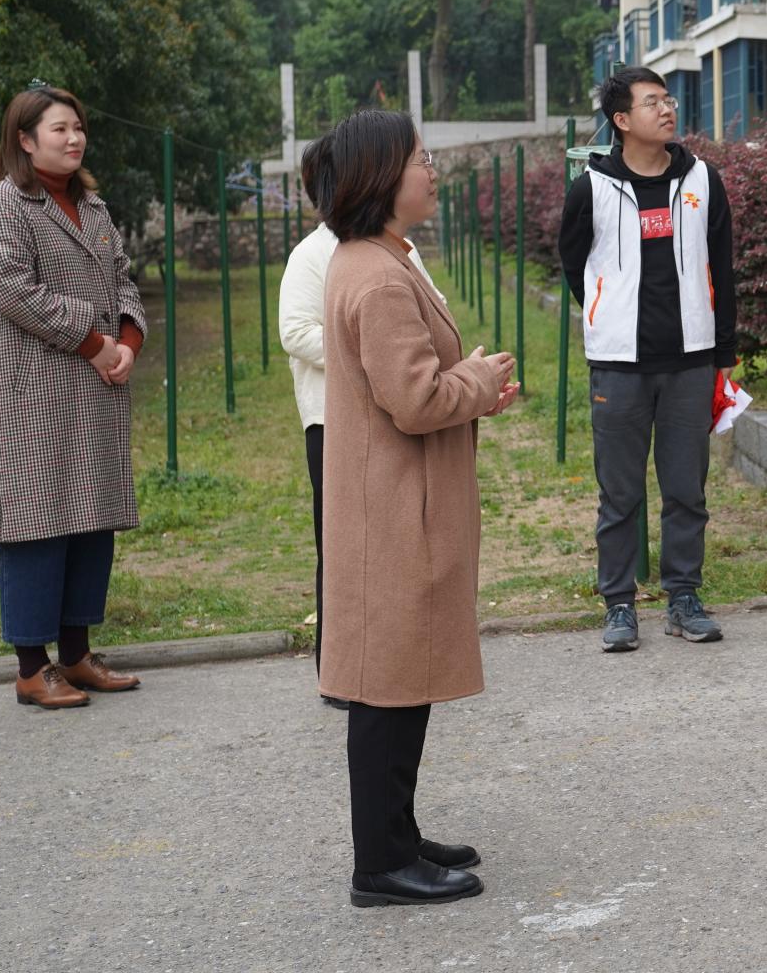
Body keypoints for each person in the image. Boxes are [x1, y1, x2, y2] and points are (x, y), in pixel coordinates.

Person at [314, 109, 517, 907]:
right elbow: (417, 400)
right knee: (385, 685)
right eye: (421, 160)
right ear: (381, 176)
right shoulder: (375, 275)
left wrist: (470, 384)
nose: (433, 172)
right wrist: (477, 381)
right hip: (393, 507)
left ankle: (396, 835)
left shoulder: (377, 258)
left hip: (396, 500)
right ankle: (380, 864)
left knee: (402, 675)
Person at [0, 84, 146, 710]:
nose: (74, 139)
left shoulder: (92, 207)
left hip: (93, 393)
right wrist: (93, 341)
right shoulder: (1, 208)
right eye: (59, 129)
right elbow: (12, 291)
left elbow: (123, 281)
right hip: (31, 398)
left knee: (91, 522)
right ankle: (30, 668)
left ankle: (75, 655)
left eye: (78, 128)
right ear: (24, 140)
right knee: (36, 525)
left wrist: (127, 342)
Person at [558, 67, 737, 651]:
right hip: (618, 365)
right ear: (621, 120)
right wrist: (608, 315)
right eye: (651, 102)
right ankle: (619, 604)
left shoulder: (702, 179)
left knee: (687, 489)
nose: (667, 109)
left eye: (668, 99)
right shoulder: (591, 188)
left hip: (691, 361)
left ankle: (684, 597)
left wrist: (724, 353)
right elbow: (575, 266)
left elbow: (722, 267)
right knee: (620, 494)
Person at [279, 132, 450, 707]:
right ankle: (340, 669)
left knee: (395, 550)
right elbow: (295, 331)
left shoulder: (394, 249)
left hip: (393, 411)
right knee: (345, 549)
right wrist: (368, 357)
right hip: (334, 420)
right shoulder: (315, 255)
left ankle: (392, 661)